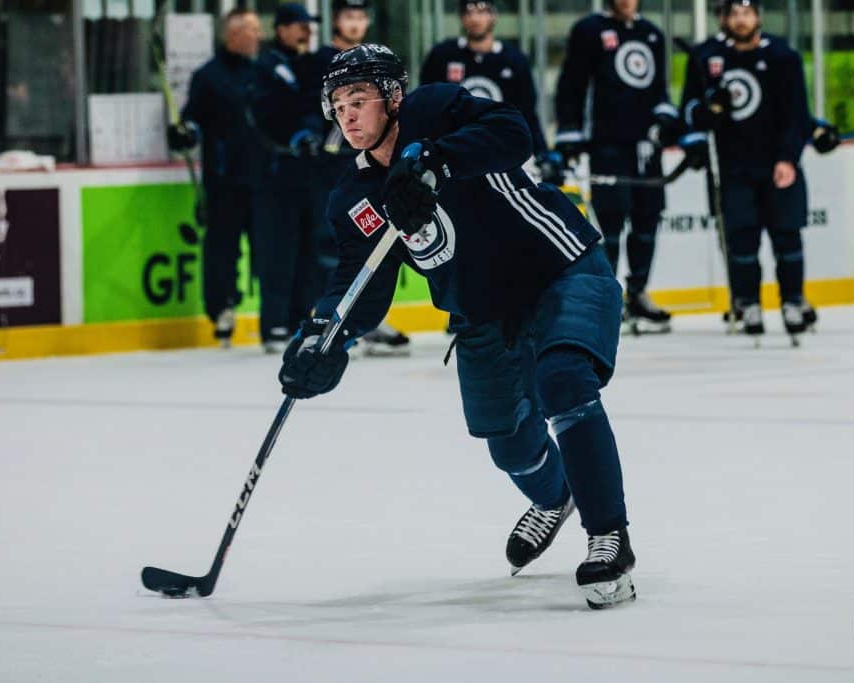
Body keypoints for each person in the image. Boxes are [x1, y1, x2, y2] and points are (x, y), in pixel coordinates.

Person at [278, 44, 636, 609]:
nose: (347, 116)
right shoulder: (353, 197)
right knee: (509, 445)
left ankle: (608, 537)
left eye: (358, 100)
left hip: (557, 269)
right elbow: (359, 284)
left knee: (564, 381)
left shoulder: (436, 109)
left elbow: (513, 132)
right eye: (338, 105)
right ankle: (555, 498)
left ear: (393, 97)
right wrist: (323, 337)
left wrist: (435, 159)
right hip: (482, 310)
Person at [684, 0, 838, 331]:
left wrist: (788, 158)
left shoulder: (783, 57)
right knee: (741, 240)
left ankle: (793, 300)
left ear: (758, 17)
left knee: (787, 236)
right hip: (733, 167)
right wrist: (710, 111)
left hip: (777, 165)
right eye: (734, 14)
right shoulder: (706, 57)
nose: (741, 20)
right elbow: (690, 111)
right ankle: (747, 302)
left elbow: (796, 115)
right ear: (724, 19)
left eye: (747, 13)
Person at [555, 0, 683, 334]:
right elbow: (572, 85)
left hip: (647, 148)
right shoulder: (590, 30)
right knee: (610, 222)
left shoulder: (651, 34)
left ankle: (638, 292)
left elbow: (659, 89)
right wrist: (569, 133)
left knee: (647, 218)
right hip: (607, 145)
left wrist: (665, 119)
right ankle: (607, 296)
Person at [304, 0, 412, 356]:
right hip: (333, 169)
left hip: (377, 162)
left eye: (360, 16)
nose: (355, 22)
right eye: (348, 16)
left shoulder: (374, 62)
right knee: (339, 245)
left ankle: (367, 319)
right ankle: (333, 319)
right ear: (336, 20)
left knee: (385, 242)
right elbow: (304, 109)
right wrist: (307, 135)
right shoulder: (322, 61)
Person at [167, 8, 262, 347]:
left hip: (265, 178)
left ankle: (281, 314)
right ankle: (222, 309)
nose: (258, 35)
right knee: (222, 249)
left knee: (272, 249)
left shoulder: (263, 72)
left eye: (258, 29)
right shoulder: (208, 77)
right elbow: (192, 120)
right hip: (224, 180)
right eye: (251, 29)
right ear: (232, 34)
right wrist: (185, 133)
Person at [247, 3, 329, 353]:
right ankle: (274, 322)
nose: (307, 31)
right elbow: (265, 112)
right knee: (278, 250)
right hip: (276, 173)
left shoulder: (312, 65)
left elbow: (317, 105)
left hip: (309, 173)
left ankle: (299, 318)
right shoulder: (265, 67)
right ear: (281, 29)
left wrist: (312, 131)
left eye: (309, 25)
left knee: (311, 250)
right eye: (300, 25)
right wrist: (294, 134)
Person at [419, 1, 558, 183]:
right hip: (454, 152)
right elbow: (426, 108)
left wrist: (542, 153)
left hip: (502, 151)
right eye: (469, 11)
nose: (475, 18)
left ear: (493, 15)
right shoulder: (442, 56)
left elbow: (527, 113)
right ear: (461, 17)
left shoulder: (514, 60)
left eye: (481, 11)